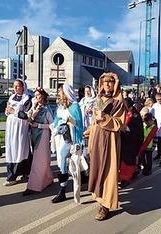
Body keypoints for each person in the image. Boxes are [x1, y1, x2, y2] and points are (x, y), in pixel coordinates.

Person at [83, 72, 127, 221]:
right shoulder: (99, 99)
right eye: (105, 82)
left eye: (110, 82)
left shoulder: (119, 102)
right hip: (97, 138)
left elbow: (120, 124)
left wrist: (104, 118)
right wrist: (89, 131)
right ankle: (99, 196)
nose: (107, 85)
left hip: (110, 140)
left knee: (108, 170)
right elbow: (95, 119)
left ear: (115, 85)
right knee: (97, 167)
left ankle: (105, 205)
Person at [50, 83, 84, 203]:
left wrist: (71, 121)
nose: (59, 94)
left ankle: (63, 190)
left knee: (66, 163)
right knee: (61, 163)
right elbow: (56, 119)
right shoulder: (61, 106)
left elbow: (80, 125)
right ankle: (63, 189)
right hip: (59, 138)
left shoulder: (75, 106)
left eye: (61, 91)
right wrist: (54, 126)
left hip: (70, 140)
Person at [23, 87, 54, 196]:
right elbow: (30, 116)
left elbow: (52, 125)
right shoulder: (35, 107)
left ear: (44, 96)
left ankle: (33, 185)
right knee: (42, 160)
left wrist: (39, 125)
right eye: (35, 96)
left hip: (43, 136)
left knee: (38, 161)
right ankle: (48, 178)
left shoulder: (47, 109)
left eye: (38, 96)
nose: (36, 98)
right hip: (34, 135)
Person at [4, 79, 33, 186]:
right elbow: (8, 110)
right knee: (12, 148)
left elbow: (27, 115)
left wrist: (14, 112)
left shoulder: (27, 98)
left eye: (17, 86)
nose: (15, 88)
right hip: (11, 126)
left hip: (20, 126)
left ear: (23, 87)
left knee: (20, 148)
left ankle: (15, 174)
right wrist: (7, 111)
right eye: (14, 86)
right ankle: (19, 172)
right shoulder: (11, 97)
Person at [119, 97, 144, 188]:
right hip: (123, 139)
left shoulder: (136, 116)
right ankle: (130, 172)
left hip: (132, 141)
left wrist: (128, 129)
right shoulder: (122, 113)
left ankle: (125, 178)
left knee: (128, 159)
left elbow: (138, 130)